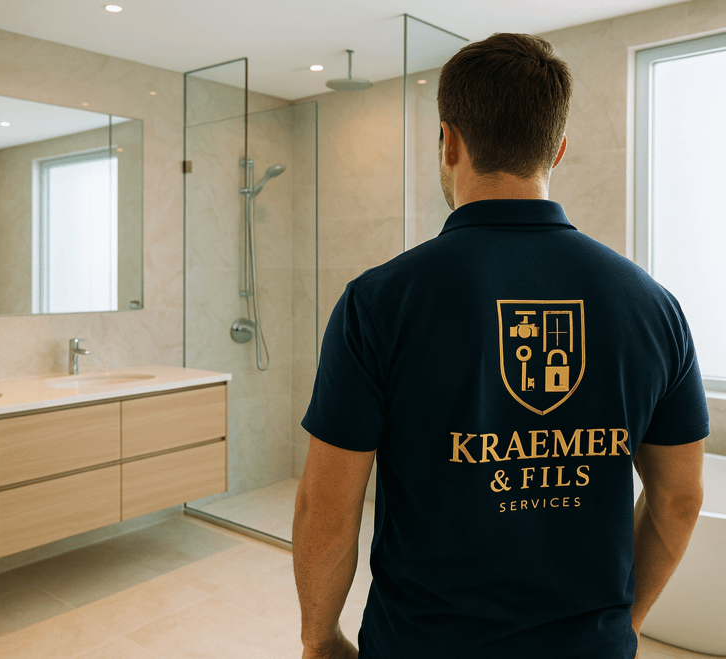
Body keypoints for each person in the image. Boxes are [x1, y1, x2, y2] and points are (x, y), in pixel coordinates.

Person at [292, 32, 709, 659]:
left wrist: (320, 639)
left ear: (450, 140)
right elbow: (679, 499)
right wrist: (626, 622)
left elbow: (326, 508)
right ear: (558, 150)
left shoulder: (378, 303)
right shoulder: (655, 308)